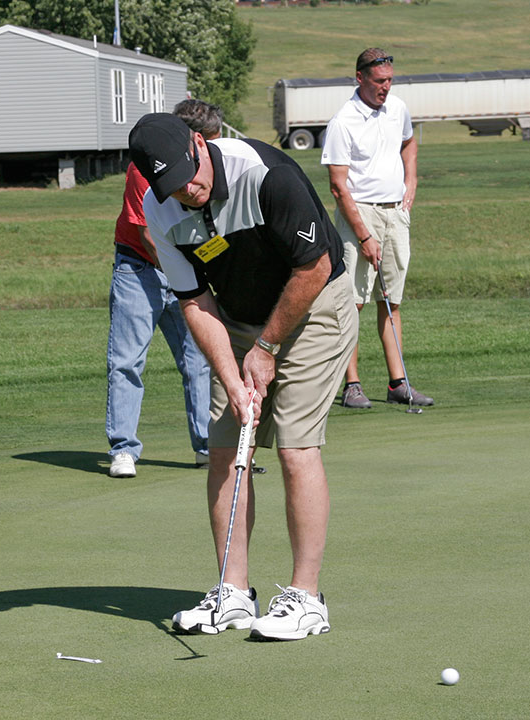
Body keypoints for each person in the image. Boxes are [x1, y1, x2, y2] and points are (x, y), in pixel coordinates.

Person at [128, 113, 357, 641]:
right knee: (227, 448)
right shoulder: (160, 210)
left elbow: (315, 267)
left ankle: (307, 599)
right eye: (171, 185)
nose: (187, 189)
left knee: (295, 445)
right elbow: (194, 300)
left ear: (200, 142)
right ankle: (233, 593)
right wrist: (233, 378)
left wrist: (267, 348)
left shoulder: (265, 174)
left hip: (314, 305)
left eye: (189, 173)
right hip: (234, 318)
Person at [105, 100, 221, 479]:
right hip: (139, 267)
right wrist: (190, 274)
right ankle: (123, 449)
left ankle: (207, 447)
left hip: (183, 268)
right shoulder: (149, 166)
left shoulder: (206, 166)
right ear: (191, 138)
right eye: (210, 141)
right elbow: (147, 235)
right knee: (127, 361)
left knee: (199, 359)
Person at [321, 48, 434, 409]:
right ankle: (351, 385)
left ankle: (398, 383)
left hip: (395, 213)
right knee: (352, 303)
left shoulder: (397, 108)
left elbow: (408, 142)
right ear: (360, 78)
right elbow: (338, 186)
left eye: (389, 81)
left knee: (391, 300)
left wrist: (411, 180)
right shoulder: (343, 121)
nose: (386, 87)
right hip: (359, 215)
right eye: (379, 81)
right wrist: (365, 235)